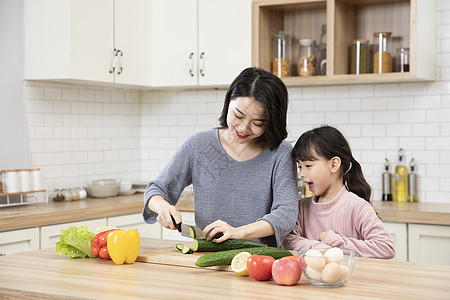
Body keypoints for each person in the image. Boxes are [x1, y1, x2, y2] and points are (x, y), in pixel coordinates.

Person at [142, 67, 299, 247]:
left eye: (258, 123)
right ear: (228, 103)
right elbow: (156, 189)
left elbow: (286, 214)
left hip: (259, 262)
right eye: (238, 115)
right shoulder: (199, 145)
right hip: (207, 257)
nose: (244, 128)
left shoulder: (280, 153)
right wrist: (162, 207)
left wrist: (238, 232)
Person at [282, 125, 395, 258]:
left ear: (334, 164)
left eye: (308, 166)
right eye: (299, 166)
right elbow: (289, 240)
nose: (302, 174)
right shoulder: (301, 208)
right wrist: (321, 248)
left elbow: (385, 247)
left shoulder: (357, 207)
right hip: (311, 278)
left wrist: (338, 243)